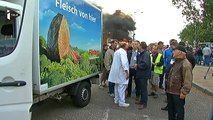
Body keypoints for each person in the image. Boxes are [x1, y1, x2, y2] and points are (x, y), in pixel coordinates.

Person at [167, 45, 193, 120]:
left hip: (178, 93)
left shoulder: (186, 64)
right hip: (171, 91)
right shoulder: (175, 61)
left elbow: (188, 79)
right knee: (171, 111)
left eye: (175, 50)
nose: (173, 52)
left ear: (181, 52)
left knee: (179, 112)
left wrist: (184, 92)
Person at [108, 42, 130, 107]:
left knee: (116, 86)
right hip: (121, 72)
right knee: (122, 87)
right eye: (127, 45)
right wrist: (127, 72)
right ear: (124, 46)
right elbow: (124, 63)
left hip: (116, 72)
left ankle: (116, 99)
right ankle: (121, 102)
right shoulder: (123, 52)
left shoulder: (117, 51)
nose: (128, 46)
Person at [161, 39, 178, 111]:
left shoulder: (177, 52)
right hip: (168, 70)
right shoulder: (167, 51)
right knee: (168, 87)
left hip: (174, 73)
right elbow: (165, 59)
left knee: (172, 88)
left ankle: (172, 106)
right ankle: (169, 104)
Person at [134, 41, 151, 109]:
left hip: (143, 75)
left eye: (139, 45)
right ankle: (141, 101)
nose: (138, 46)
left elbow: (145, 64)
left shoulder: (145, 54)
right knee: (141, 89)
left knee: (144, 90)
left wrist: (137, 65)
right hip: (141, 74)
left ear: (141, 46)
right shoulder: (142, 53)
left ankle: (144, 103)